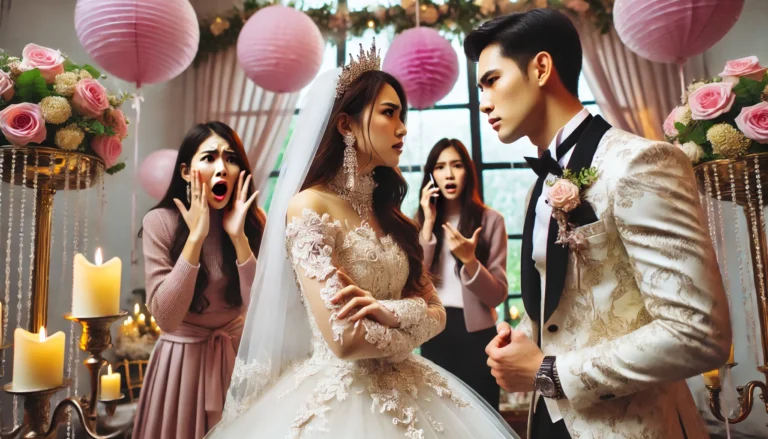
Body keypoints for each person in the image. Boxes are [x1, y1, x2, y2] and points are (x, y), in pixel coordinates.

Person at [206, 42, 519, 439]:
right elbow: (346, 340)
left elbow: (438, 313)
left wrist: (388, 312)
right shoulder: (308, 207)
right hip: (341, 403)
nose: (403, 128)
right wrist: (413, 314)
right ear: (345, 125)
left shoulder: (392, 215)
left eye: (401, 114)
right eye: (389, 113)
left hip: (415, 390)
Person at [463, 8, 732, 439]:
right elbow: (565, 310)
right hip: (548, 422)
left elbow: (699, 333)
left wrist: (549, 371)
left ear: (541, 68)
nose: (484, 101)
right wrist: (523, 343)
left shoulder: (641, 163)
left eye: (491, 80)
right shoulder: (540, 187)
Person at [133, 121, 266, 439]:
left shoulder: (254, 223)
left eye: (231, 159)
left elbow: (261, 313)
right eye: (209, 158)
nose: (222, 167)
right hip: (181, 367)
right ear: (185, 172)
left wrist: (238, 239)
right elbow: (166, 317)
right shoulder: (159, 222)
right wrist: (195, 238)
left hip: (236, 363)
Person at [416, 138, 508, 410]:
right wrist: (428, 225)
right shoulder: (420, 223)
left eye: (456, 165)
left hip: (478, 336)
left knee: (482, 417)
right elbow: (414, 284)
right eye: (440, 167)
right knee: (440, 419)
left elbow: (497, 294)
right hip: (435, 330)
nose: (448, 174)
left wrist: (470, 261)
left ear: (468, 171)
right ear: (431, 175)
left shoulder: (491, 221)